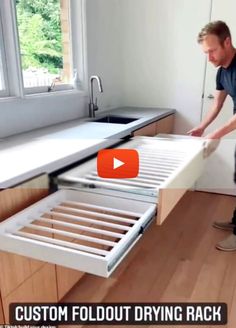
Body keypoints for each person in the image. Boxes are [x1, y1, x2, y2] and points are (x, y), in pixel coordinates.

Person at [188, 21, 236, 251]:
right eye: (205, 53)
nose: (209, 58)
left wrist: (215, 134)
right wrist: (201, 127)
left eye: (212, 50)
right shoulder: (222, 71)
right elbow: (217, 103)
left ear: (227, 42)